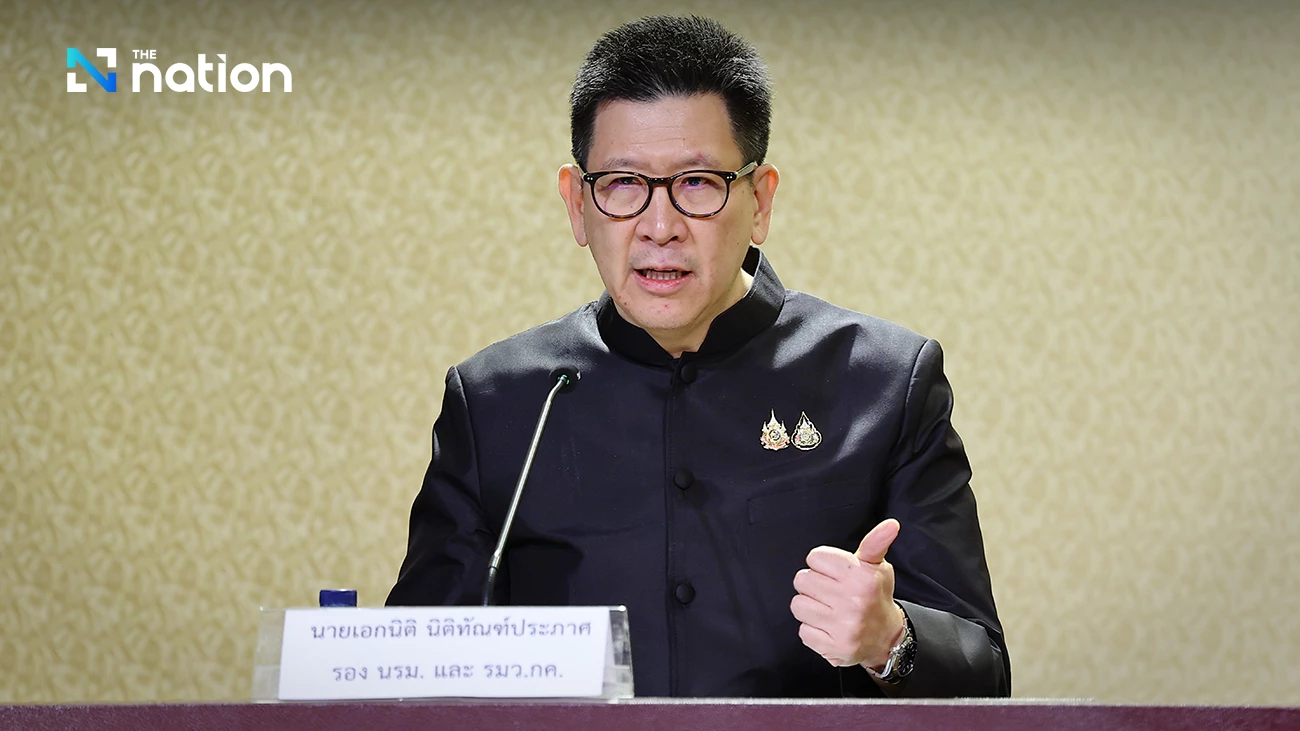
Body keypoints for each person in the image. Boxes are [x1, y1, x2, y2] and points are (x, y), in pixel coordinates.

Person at [387, 15, 1009, 698]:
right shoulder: (497, 402)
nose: (660, 227)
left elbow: (984, 668)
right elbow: (412, 674)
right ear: (576, 203)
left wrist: (891, 640)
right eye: (622, 183)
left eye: (698, 183)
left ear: (760, 201)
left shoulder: (885, 382)